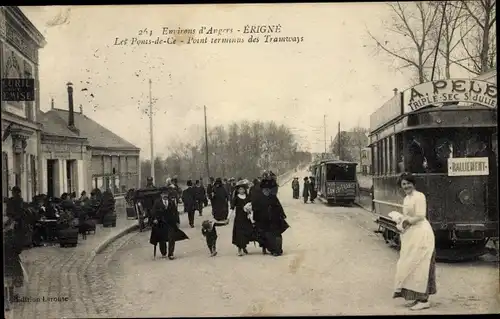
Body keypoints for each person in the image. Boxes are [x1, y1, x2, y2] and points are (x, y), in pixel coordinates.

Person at [393, 173, 436, 311]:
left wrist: (406, 221)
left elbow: (420, 216)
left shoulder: (419, 196)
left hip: (422, 233)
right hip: (411, 234)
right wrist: (401, 221)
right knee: (411, 265)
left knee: (421, 264)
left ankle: (424, 299)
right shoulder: (406, 198)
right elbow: (408, 216)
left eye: (408, 183)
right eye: (403, 184)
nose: (406, 186)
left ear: (413, 183)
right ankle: (417, 297)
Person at [251, 176, 289, 256]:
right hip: (264, 220)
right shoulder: (259, 198)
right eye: (265, 190)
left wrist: (281, 215)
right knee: (267, 235)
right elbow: (256, 209)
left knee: (277, 235)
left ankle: (278, 250)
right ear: (262, 190)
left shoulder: (273, 198)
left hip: (274, 220)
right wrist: (255, 218)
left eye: (268, 190)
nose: (266, 191)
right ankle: (271, 249)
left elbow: (279, 207)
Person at [150, 187, 189, 259]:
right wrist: (154, 219)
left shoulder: (171, 202)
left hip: (170, 222)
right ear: (161, 195)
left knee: (171, 238)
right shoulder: (157, 202)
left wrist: (177, 221)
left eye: (166, 194)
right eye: (163, 194)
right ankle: (163, 252)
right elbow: (153, 212)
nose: (165, 195)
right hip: (161, 223)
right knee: (162, 239)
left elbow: (175, 212)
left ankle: (171, 254)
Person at [229, 180, 254, 256]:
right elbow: (232, 208)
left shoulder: (248, 197)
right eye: (240, 189)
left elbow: (251, 206)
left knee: (246, 233)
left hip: (246, 218)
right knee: (239, 233)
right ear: (238, 190)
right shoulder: (236, 198)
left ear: (245, 190)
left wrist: (250, 212)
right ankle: (239, 249)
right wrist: (228, 217)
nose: (241, 191)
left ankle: (244, 246)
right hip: (239, 218)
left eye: (242, 189)